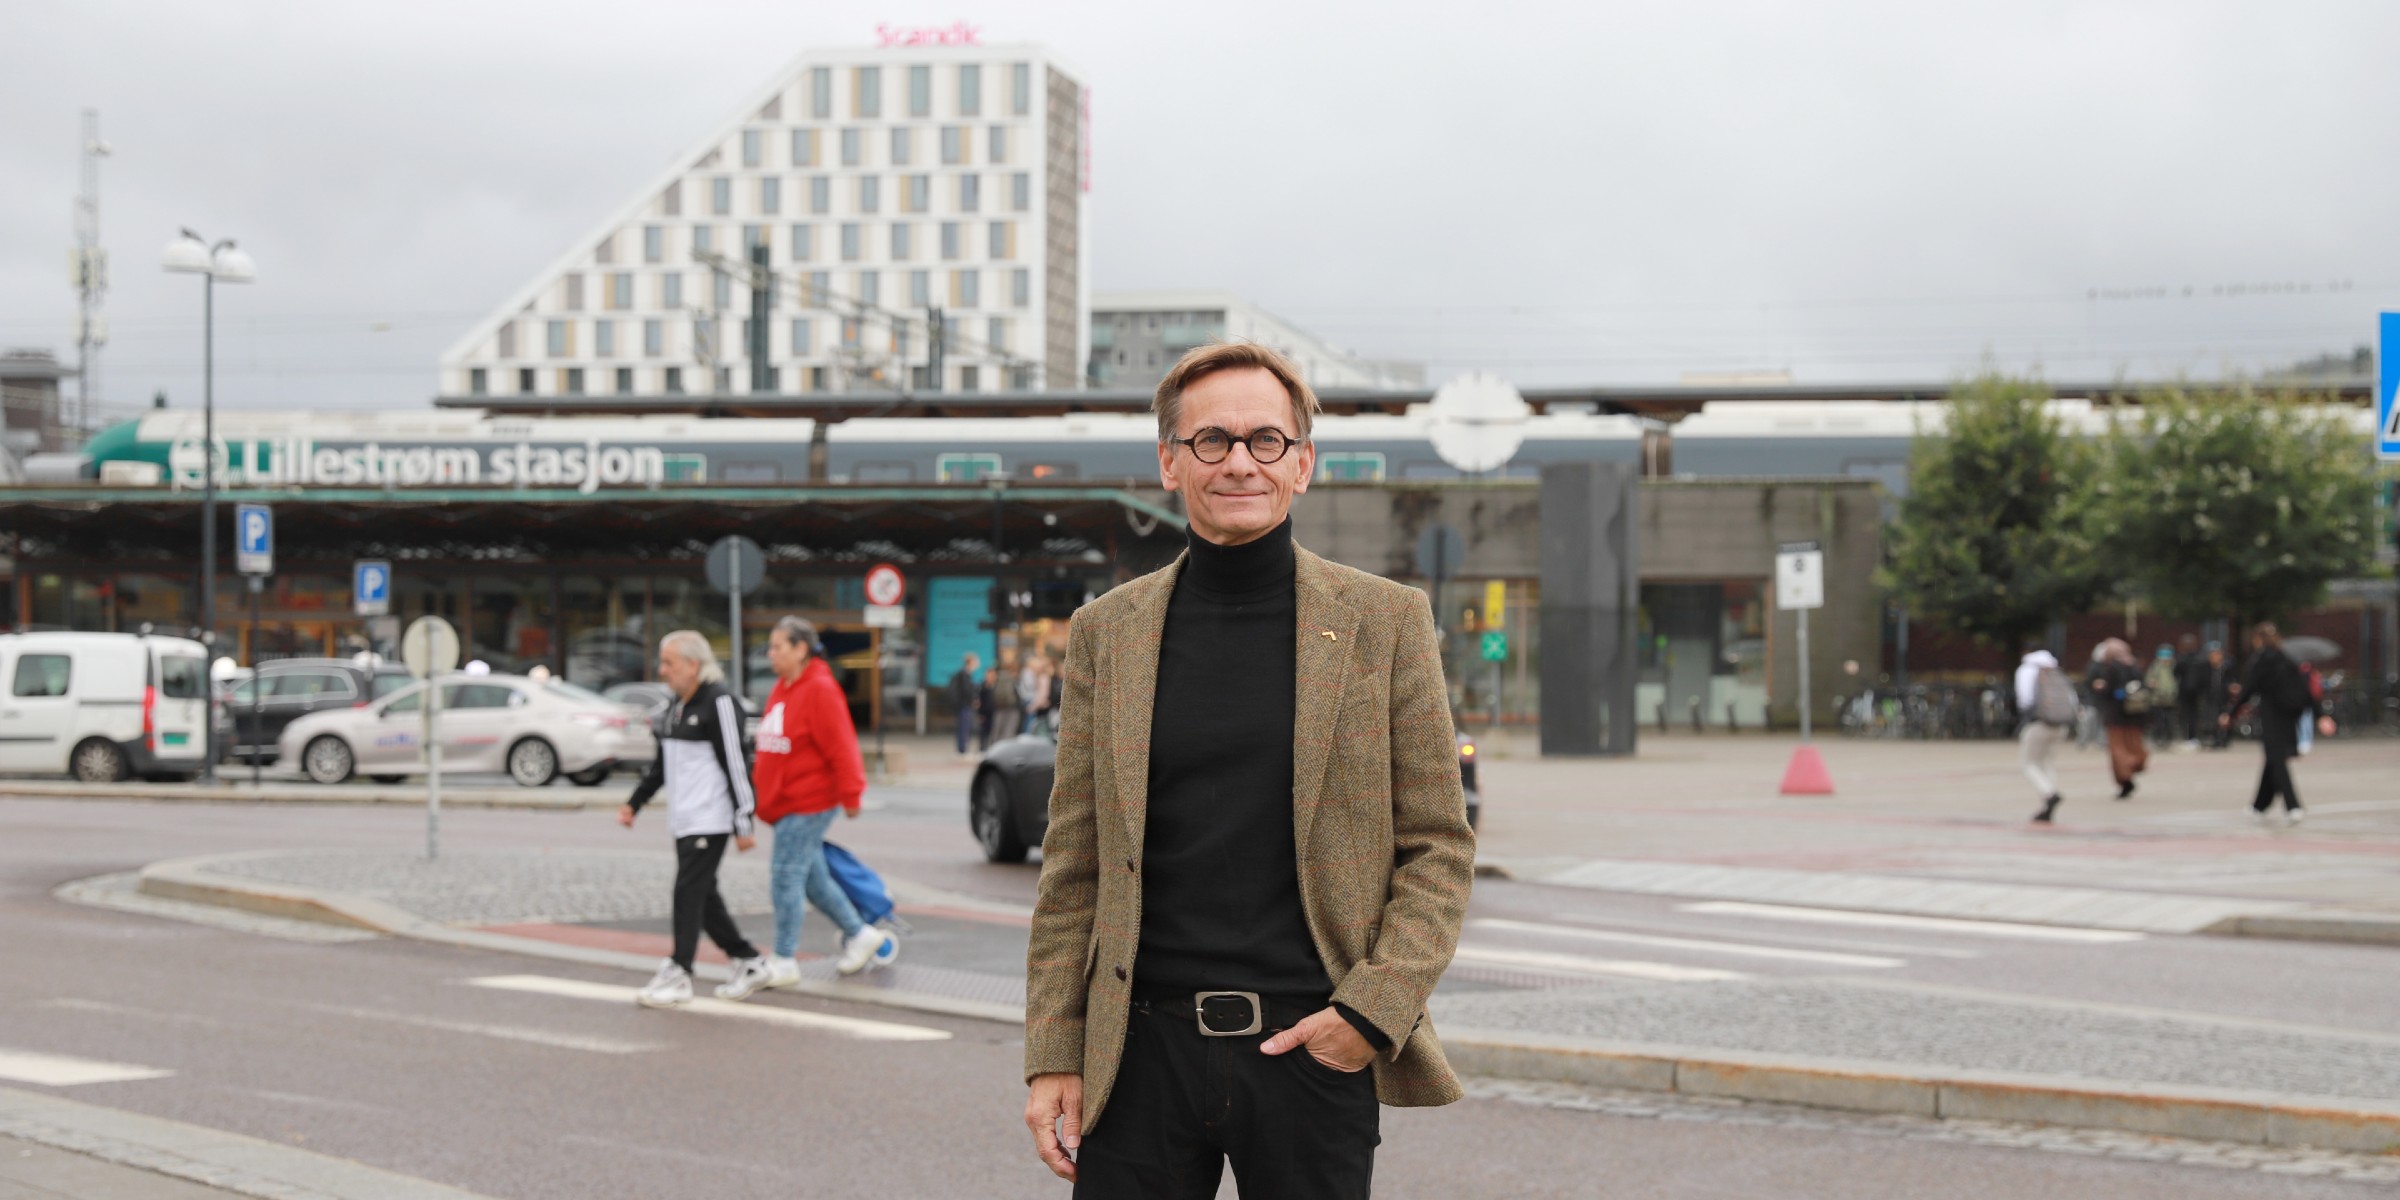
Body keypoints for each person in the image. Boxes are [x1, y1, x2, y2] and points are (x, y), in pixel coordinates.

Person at [1022, 341, 1476, 1197]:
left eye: (1265, 441)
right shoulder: (1105, 632)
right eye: (1211, 441)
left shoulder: (1386, 622)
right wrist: (1054, 1051)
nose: (1239, 461)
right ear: (1169, 462)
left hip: (1312, 1053)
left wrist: (1368, 1015)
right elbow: (1073, 865)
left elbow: (1439, 849)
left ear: (1302, 464)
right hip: (1138, 1058)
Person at [718, 616, 895, 1002]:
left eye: (778, 646)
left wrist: (852, 795)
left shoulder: (819, 689)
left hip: (809, 801)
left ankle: (784, 959)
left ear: (800, 649)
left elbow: (841, 746)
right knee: (813, 881)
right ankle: (862, 934)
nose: (771, 653)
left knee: (785, 876)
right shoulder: (783, 688)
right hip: (785, 804)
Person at [619, 631, 764, 1008]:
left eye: (669, 663)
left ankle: (680, 971)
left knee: (687, 892)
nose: (662, 670)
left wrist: (743, 822)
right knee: (704, 896)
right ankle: (748, 960)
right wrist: (635, 802)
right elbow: (662, 766)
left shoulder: (720, 703)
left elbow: (736, 764)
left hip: (710, 819)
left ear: (694, 665)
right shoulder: (675, 706)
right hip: (684, 819)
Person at [2222, 622, 2333, 823]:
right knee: (2273, 758)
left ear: (2257, 639)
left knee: (2277, 760)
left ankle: (2293, 806)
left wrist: (2230, 713)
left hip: (2271, 715)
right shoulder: (2288, 659)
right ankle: (2259, 805)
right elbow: (2306, 690)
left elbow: (2248, 690)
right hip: (2290, 716)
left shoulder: (2261, 660)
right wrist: (2320, 715)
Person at [2016, 642, 2077, 823]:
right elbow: (2072, 698)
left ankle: (2049, 795)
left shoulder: (2027, 669)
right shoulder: (2055, 670)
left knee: (2029, 763)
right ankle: (2046, 804)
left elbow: (2025, 698)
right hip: (2061, 724)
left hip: (2039, 723)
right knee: (2047, 763)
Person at [2085, 638, 2148, 799]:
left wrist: (2101, 687)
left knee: (2117, 748)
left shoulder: (2111, 668)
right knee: (2134, 743)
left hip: (2115, 715)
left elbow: (2108, 690)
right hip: (2135, 714)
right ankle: (2136, 763)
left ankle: (2125, 774)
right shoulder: (2135, 667)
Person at [2171, 633, 2207, 748]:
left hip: (2185, 691)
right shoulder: (2202, 658)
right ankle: (2197, 737)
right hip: (2199, 692)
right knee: (2196, 714)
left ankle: (2189, 737)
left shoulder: (2181, 659)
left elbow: (2175, 674)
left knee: (2186, 715)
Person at [2143, 644, 2180, 747]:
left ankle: (2169, 738)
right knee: (2158, 720)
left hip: (2171, 699)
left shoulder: (2175, 666)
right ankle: (2158, 738)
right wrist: (2151, 683)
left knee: (2170, 720)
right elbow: (2148, 680)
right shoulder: (2155, 667)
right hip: (2157, 699)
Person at [947, 653, 982, 759]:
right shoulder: (964, 674)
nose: (976, 665)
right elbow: (966, 690)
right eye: (975, 662)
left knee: (964, 727)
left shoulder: (965, 674)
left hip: (963, 705)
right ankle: (962, 751)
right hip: (964, 705)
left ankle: (962, 749)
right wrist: (973, 700)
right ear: (970, 662)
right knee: (964, 728)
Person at [987, 651, 1023, 745]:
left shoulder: (998, 677)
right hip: (1012, 708)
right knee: (1009, 729)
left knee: (997, 729)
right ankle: (1005, 749)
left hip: (999, 707)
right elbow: (1018, 694)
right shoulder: (1012, 679)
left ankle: (994, 747)